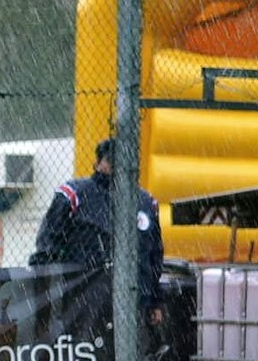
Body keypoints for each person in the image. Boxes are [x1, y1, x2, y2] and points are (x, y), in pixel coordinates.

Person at [30, 137, 165, 330]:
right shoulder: (74, 195)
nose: (118, 167)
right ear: (99, 162)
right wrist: (44, 299)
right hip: (83, 304)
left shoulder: (145, 203)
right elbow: (47, 248)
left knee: (134, 355)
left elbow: (154, 256)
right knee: (84, 355)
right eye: (112, 161)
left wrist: (155, 300)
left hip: (134, 303)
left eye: (125, 162)